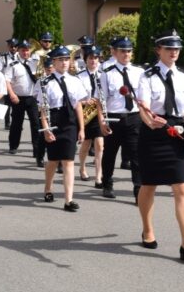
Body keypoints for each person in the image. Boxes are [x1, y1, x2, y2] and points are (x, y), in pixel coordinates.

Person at [135, 30, 184, 261]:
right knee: (149, 185)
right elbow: (143, 109)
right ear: (158, 50)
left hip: (177, 133)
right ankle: (148, 229)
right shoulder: (147, 77)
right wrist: (150, 122)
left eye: (177, 49)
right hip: (153, 134)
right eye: (169, 49)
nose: (174, 52)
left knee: (182, 187)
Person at [34, 45, 87, 211]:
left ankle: (68, 200)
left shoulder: (75, 80)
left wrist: (82, 128)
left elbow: (78, 105)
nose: (64, 63)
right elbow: (42, 109)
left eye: (66, 59)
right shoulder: (44, 83)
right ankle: (48, 188)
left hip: (70, 121)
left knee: (69, 161)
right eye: (60, 60)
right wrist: (46, 129)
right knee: (53, 160)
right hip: (53, 119)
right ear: (53, 62)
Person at [99, 36, 144, 201]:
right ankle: (107, 184)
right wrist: (102, 121)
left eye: (129, 51)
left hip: (133, 117)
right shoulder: (106, 74)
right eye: (123, 51)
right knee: (110, 153)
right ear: (115, 52)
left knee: (136, 155)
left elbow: (144, 99)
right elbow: (101, 100)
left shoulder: (140, 73)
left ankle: (138, 190)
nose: (126, 54)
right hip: (113, 118)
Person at [4, 39, 41, 158]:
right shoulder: (13, 64)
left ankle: (37, 149)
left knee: (36, 124)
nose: (25, 52)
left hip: (33, 98)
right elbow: (7, 81)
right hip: (18, 98)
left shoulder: (36, 63)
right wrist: (12, 94)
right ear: (18, 51)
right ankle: (13, 146)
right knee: (16, 123)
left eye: (27, 50)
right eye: (23, 50)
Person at [75, 46, 106, 184]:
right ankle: (82, 168)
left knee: (100, 144)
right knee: (86, 143)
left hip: (100, 113)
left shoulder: (104, 75)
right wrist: (85, 101)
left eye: (96, 58)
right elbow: (74, 97)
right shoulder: (79, 77)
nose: (93, 60)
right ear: (85, 59)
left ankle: (98, 176)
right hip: (86, 113)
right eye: (90, 58)